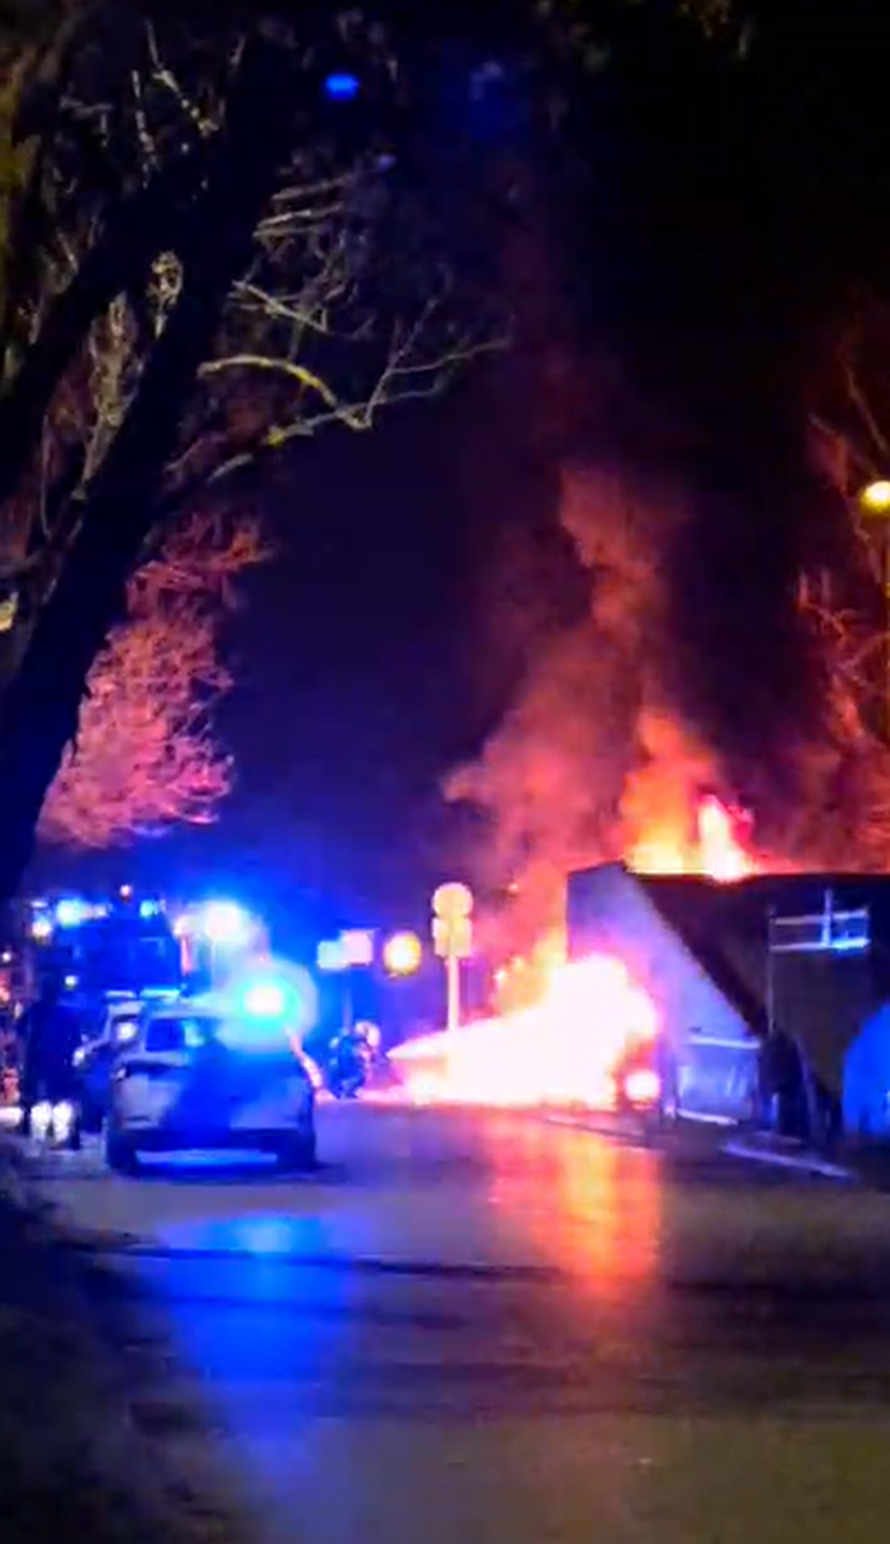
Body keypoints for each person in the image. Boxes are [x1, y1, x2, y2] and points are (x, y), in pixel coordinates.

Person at [19, 974, 83, 1134]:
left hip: (42, 1060)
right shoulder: (65, 1014)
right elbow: (76, 1040)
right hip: (55, 1061)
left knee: (41, 1095)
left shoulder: (37, 1011)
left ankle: (32, 1124)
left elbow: (20, 1028)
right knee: (61, 1097)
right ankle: (70, 1130)